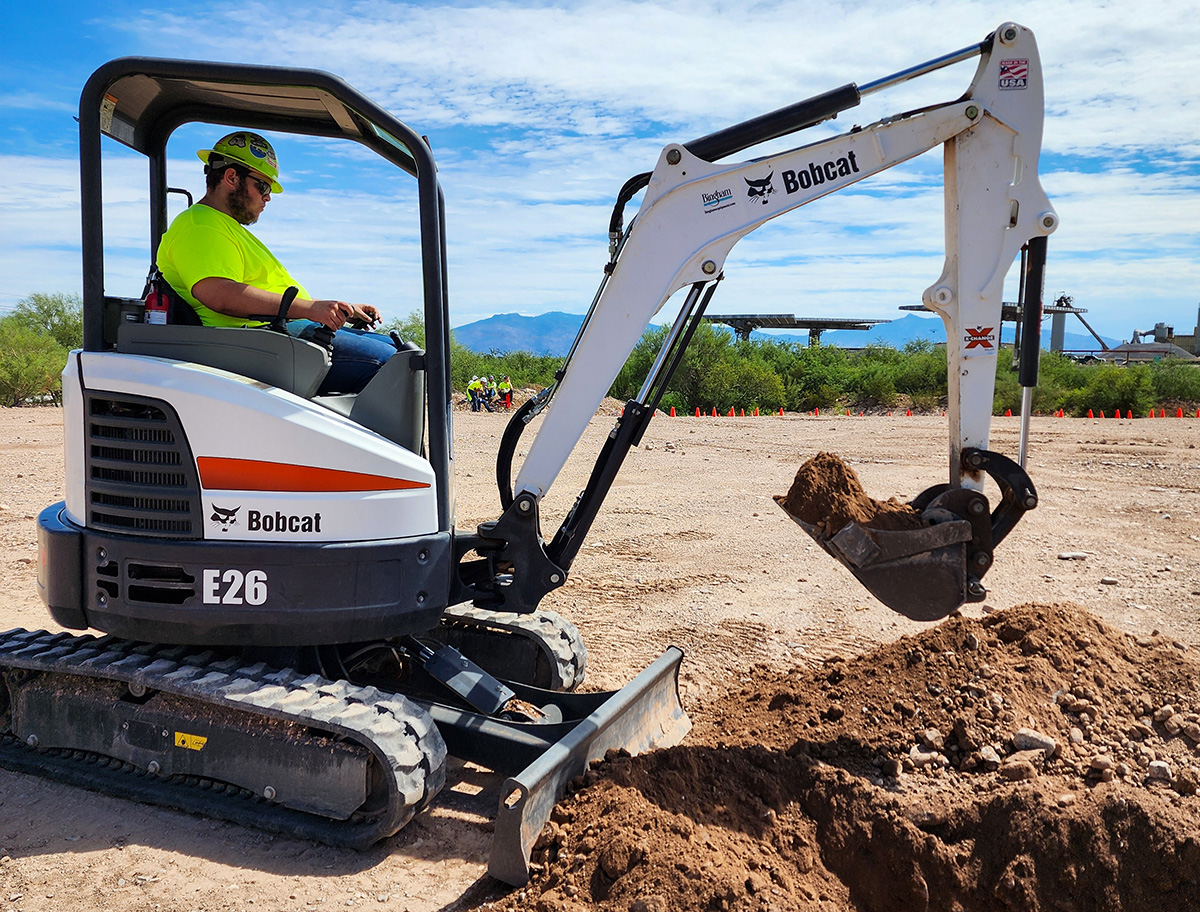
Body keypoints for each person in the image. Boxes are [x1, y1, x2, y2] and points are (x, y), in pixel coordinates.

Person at [156, 131, 399, 395]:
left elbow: (267, 291)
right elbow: (219, 294)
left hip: (272, 335)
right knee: (392, 364)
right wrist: (310, 309)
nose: (268, 197)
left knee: (401, 352)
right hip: (255, 343)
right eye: (263, 186)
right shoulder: (200, 225)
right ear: (231, 177)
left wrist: (340, 309)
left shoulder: (225, 228)